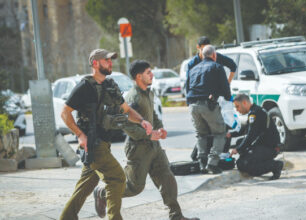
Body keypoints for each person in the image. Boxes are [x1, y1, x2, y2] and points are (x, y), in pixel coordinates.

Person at [93, 60, 199, 220]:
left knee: (167, 178)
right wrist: (148, 135)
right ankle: (103, 192)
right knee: (134, 187)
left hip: (154, 146)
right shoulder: (132, 97)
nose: (152, 75)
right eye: (148, 72)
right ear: (138, 76)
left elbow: (153, 115)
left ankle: (176, 215)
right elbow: (126, 125)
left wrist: (160, 128)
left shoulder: (148, 92)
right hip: (138, 148)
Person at [60, 49, 152, 220]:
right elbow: (65, 112)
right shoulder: (85, 87)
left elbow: (126, 109)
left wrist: (141, 121)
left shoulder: (109, 85)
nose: (111, 63)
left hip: (104, 144)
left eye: (111, 60)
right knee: (117, 178)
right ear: (95, 63)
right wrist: (80, 135)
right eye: (106, 60)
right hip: (94, 144)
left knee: (87, 184)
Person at [187, 45, 231, 174]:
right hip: (208, 104)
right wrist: (227, 97)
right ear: (214, 55)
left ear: (202, 55)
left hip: (192, 105)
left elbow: (187, 89)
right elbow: (225, 89)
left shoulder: (193, 68)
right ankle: (212, 163)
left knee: (201, 134)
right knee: (220, 133)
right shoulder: (217, 67)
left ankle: (202, 164)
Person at [228, 94, 283, 180]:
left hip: (269, 148)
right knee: (239, 142)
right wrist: (230, 134)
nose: (237, 110)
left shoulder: (254, 113)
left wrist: (238, 149)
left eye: (237, 106)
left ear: (244, 103)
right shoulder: (255, 110)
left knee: (242, 164)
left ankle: (275, 165)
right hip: (265, 144)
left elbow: (250, 136)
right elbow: (246, 129)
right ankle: (254, 159)